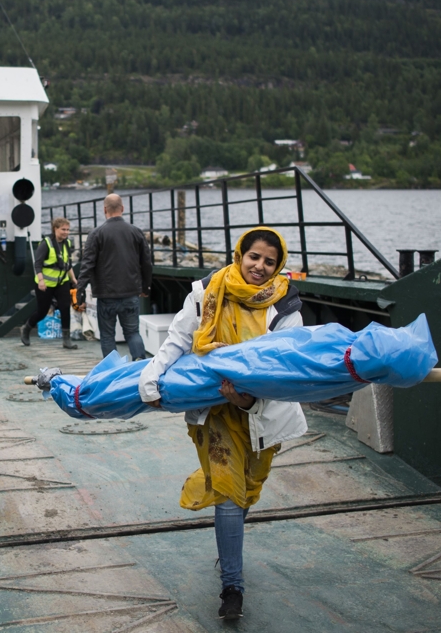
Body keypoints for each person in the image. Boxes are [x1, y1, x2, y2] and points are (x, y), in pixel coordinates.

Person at [138, 226, 306, 621]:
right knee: (230, 494)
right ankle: (233, 586)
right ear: (239, 255)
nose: (259, 267)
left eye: (269, 260)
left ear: (278, 264)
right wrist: (152, 376)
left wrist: (246, 398)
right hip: (215, 413)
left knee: (247, 489)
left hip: (262, 414)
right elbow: (178, 340)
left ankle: (228, 549)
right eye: (253, 257)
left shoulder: (285, 308)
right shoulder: (208, 291)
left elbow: (283, 369)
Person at [74, 193, 152, 360]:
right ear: (122, 209)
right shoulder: (136, 232)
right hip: (131, 292)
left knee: (107, 335)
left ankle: (112, 371)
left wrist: (80, 292)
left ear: (104, 210)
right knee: (132, 332)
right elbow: (146, 263)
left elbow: (87, 265)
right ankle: (140, 363)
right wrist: (145, 287)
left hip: (106, 295)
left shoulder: (96, 234)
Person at [20, 217, 80, 350]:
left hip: (62, 282)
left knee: (65, 308)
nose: (66, 232)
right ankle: (27, 328)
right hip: (45, 284)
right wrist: (41, 281)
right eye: (63, 229)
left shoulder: (67, 243)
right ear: (55, 229)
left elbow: (67, 264)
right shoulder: (46, 243)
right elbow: (38, 264)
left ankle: (66, 340)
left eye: (68, 230)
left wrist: (73, 279)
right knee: (42, 312)